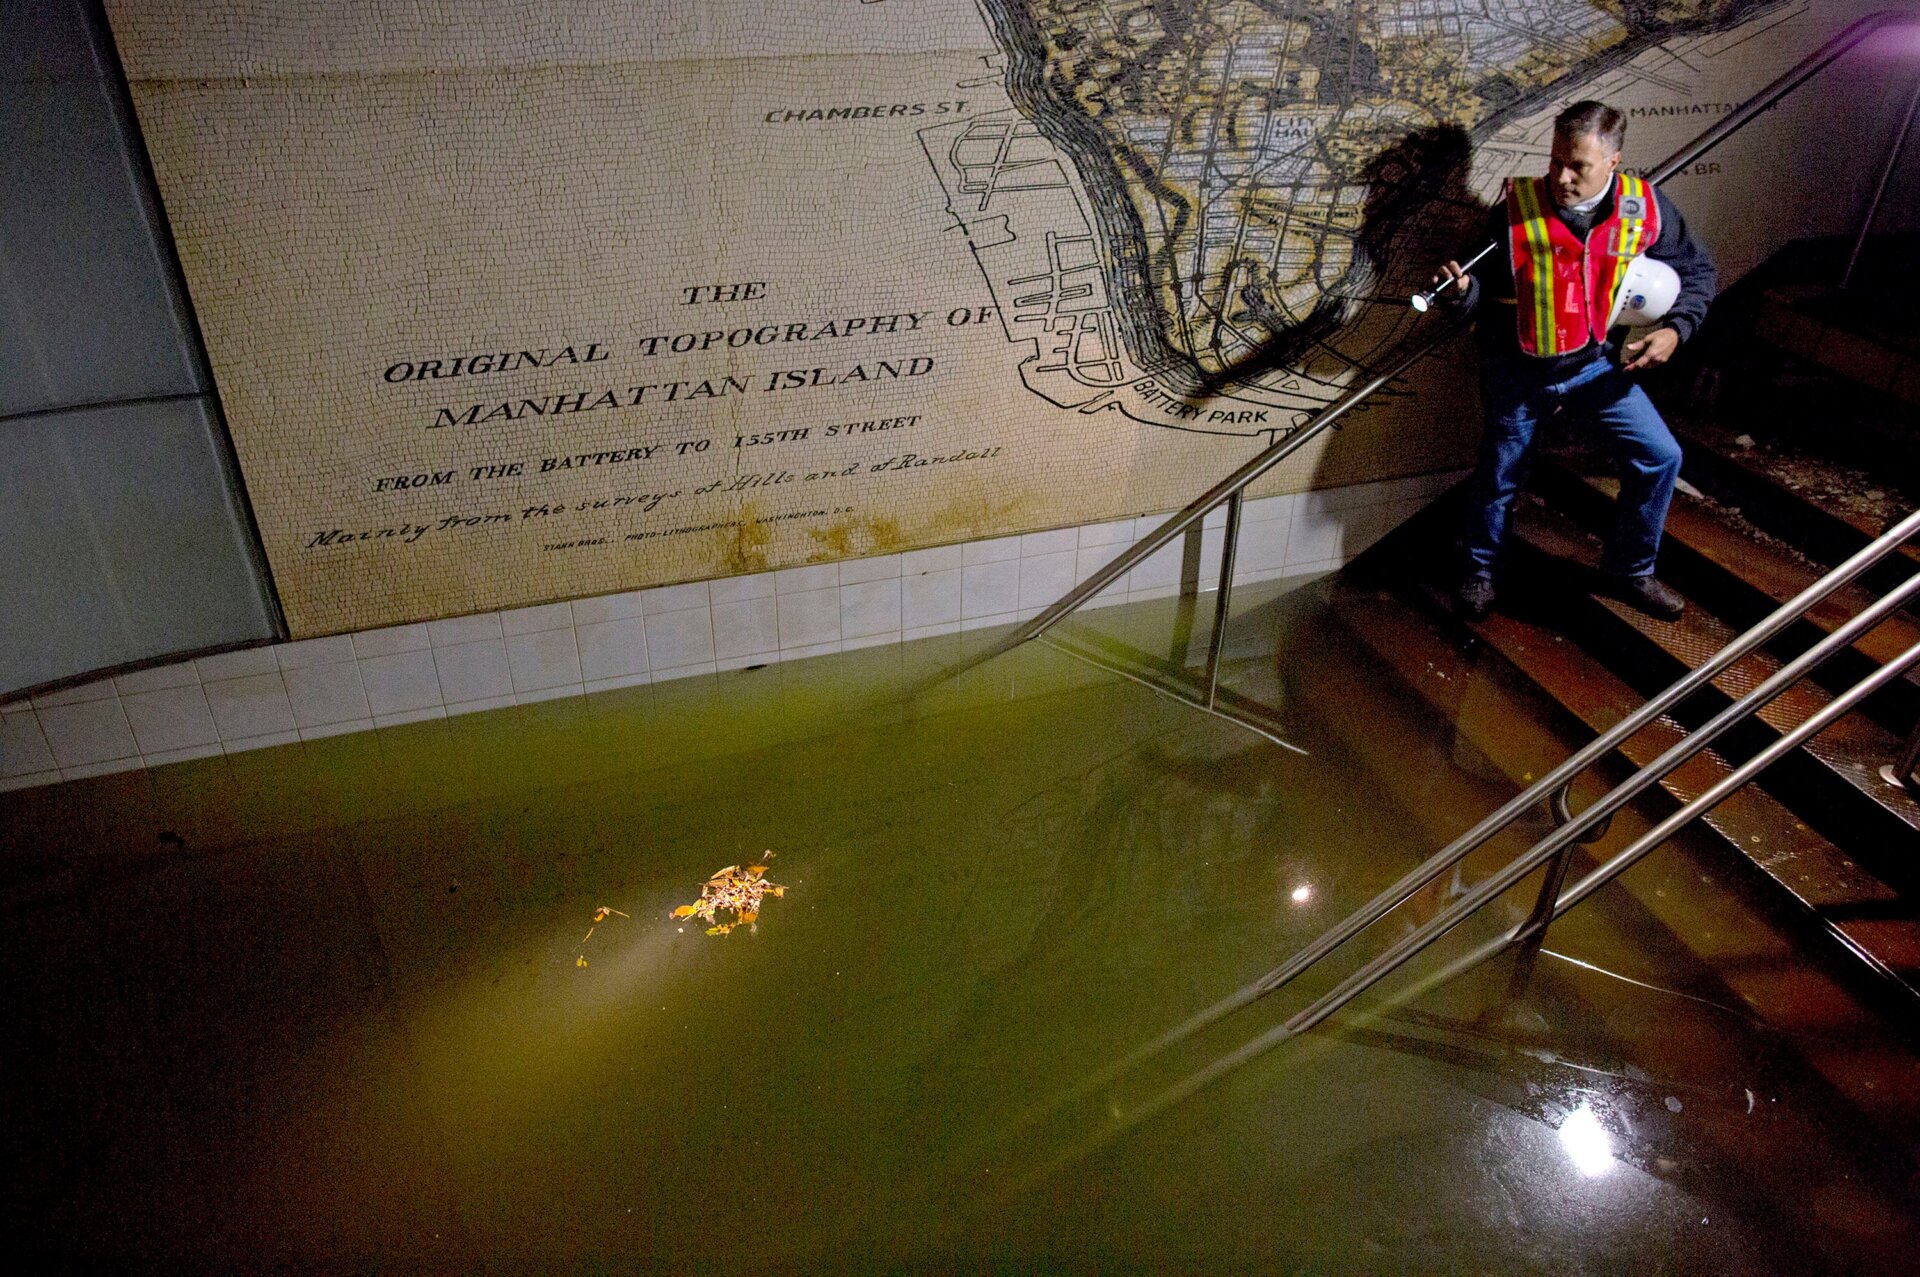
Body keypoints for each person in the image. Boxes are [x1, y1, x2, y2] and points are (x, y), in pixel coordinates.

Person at [1436, 100, 1717, 621]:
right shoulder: (1515, 210)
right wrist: (1462, 293)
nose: (1561, 176)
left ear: (1614, 162)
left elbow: (1699, 272)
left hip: (1594, 367)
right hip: (1518, 366)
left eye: (1578, 166)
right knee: (1501, 473)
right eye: (1555, 160)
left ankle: (1630, 571)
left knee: (1661, 457)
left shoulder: (1647, 207)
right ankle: (1479, 571)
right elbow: (1483, 295)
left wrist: (1675, 332)